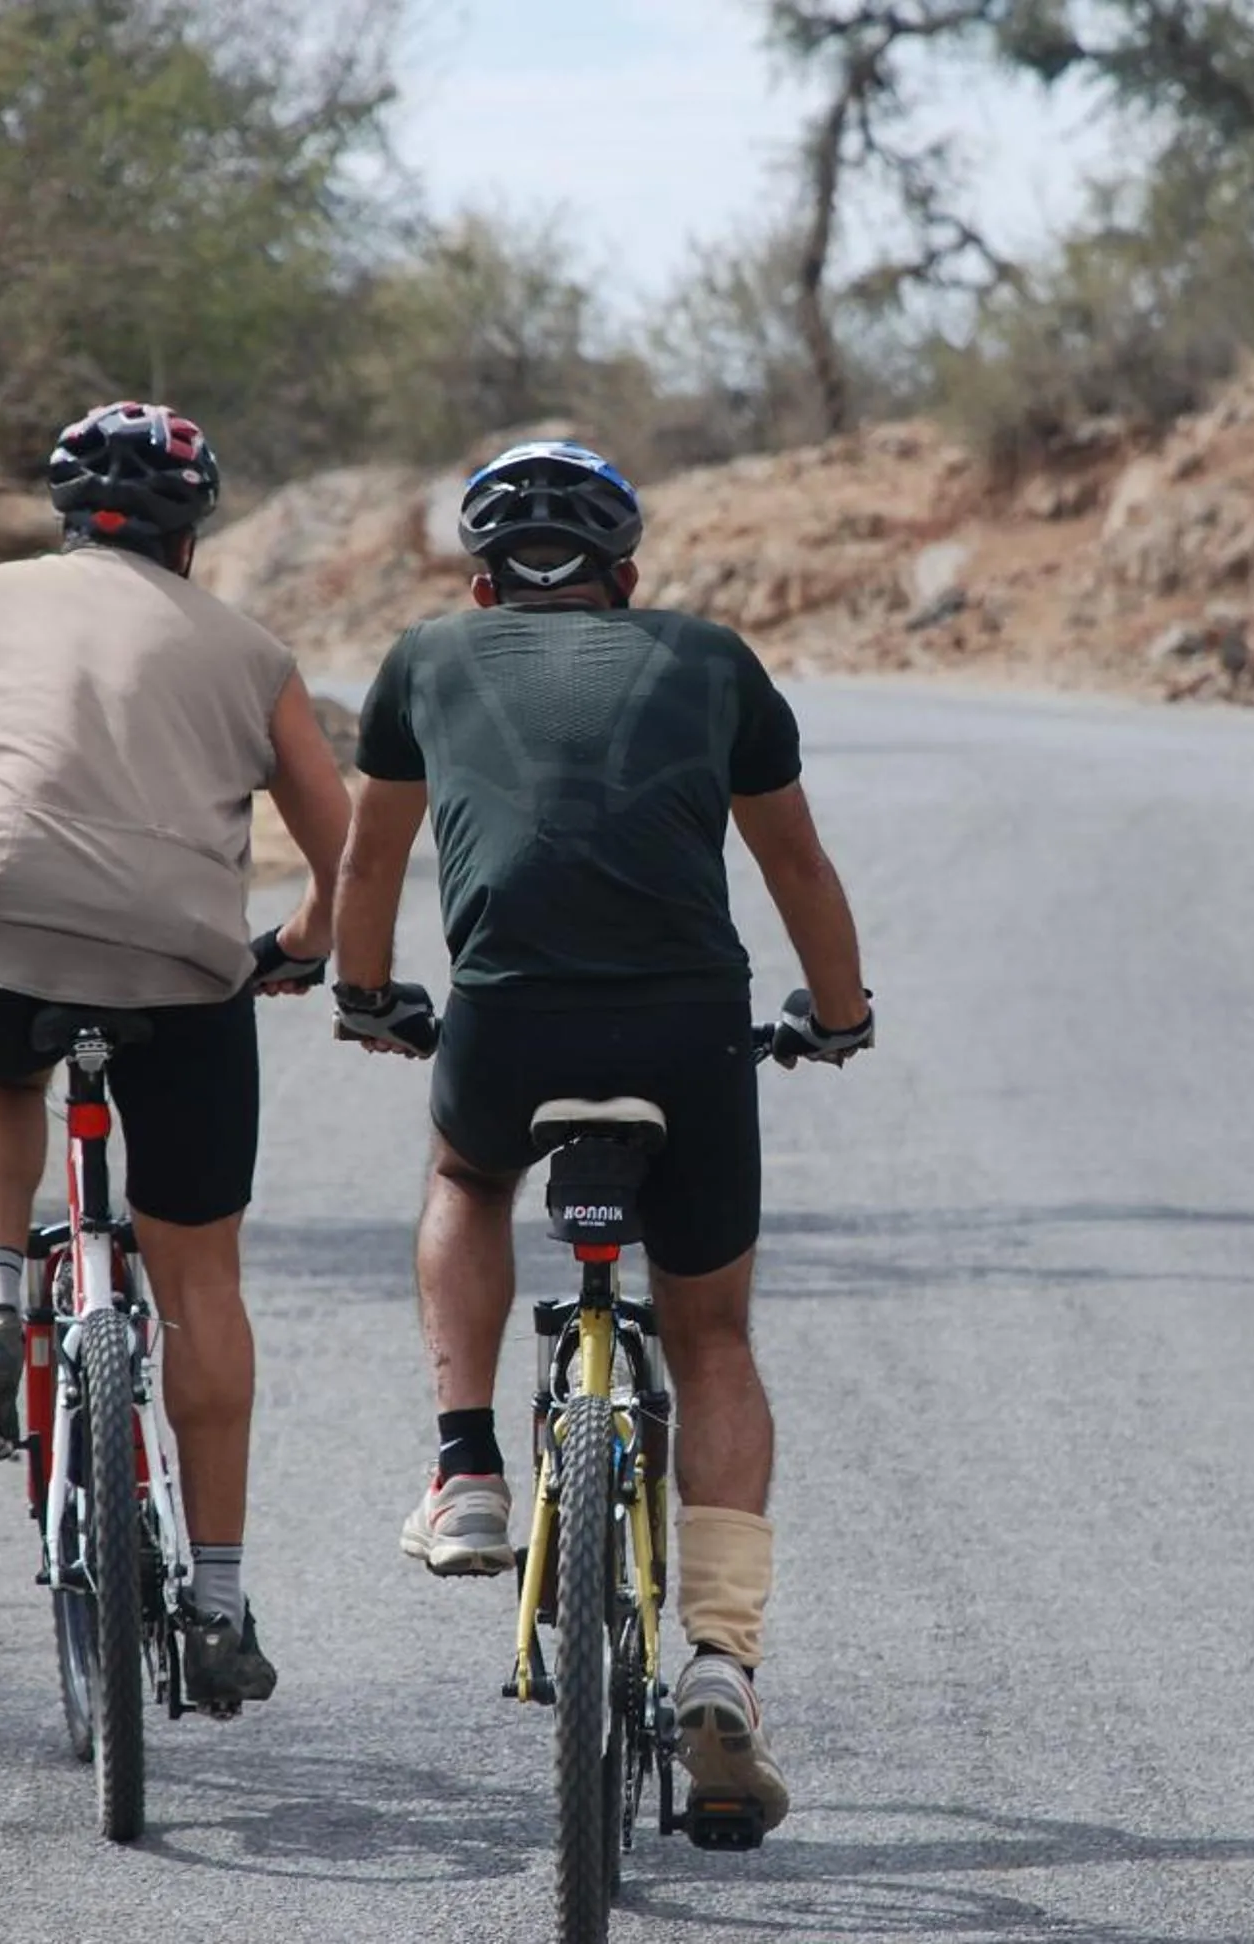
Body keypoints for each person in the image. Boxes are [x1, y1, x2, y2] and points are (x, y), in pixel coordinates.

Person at [329, 439, 874, 1832]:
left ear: (480, 578)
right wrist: (842, 1011)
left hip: (511, 1020)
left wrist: (371, 996)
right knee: (711, 1335)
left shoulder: (427, 658)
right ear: (629, 578)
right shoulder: (708, 657)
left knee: (465, 1171)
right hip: (690, 1027)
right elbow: (795, 863)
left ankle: (465, 1472)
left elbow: (370, 860)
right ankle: (722, 1661)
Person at [0, 400, 349, 1714]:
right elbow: (352, 855)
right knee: (200, 1279)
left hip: (2, 934)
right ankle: (217, 1600)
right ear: (194, 529)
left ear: (60, 513)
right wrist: (304, 945)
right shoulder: (253, 653)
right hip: (184, 972)